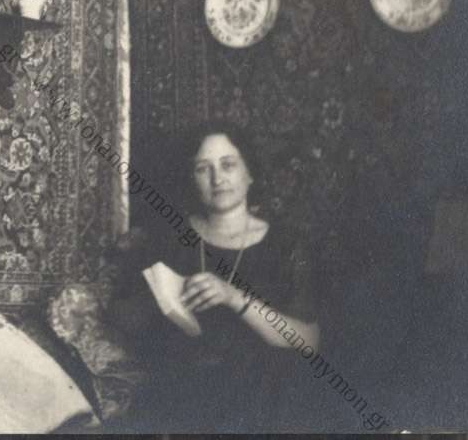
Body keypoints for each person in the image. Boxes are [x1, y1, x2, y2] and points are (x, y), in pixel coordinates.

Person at [109, 124, 320, 430]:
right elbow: (125, 318)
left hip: (264, 399)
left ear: (250, 173)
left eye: (228, 165)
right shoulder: (170, 237)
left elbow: (308, 340)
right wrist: (163, 300)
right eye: (203, 168)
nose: (217, 178)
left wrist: (233, 297)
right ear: (192, 178)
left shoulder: (285, 245)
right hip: (184, 393)